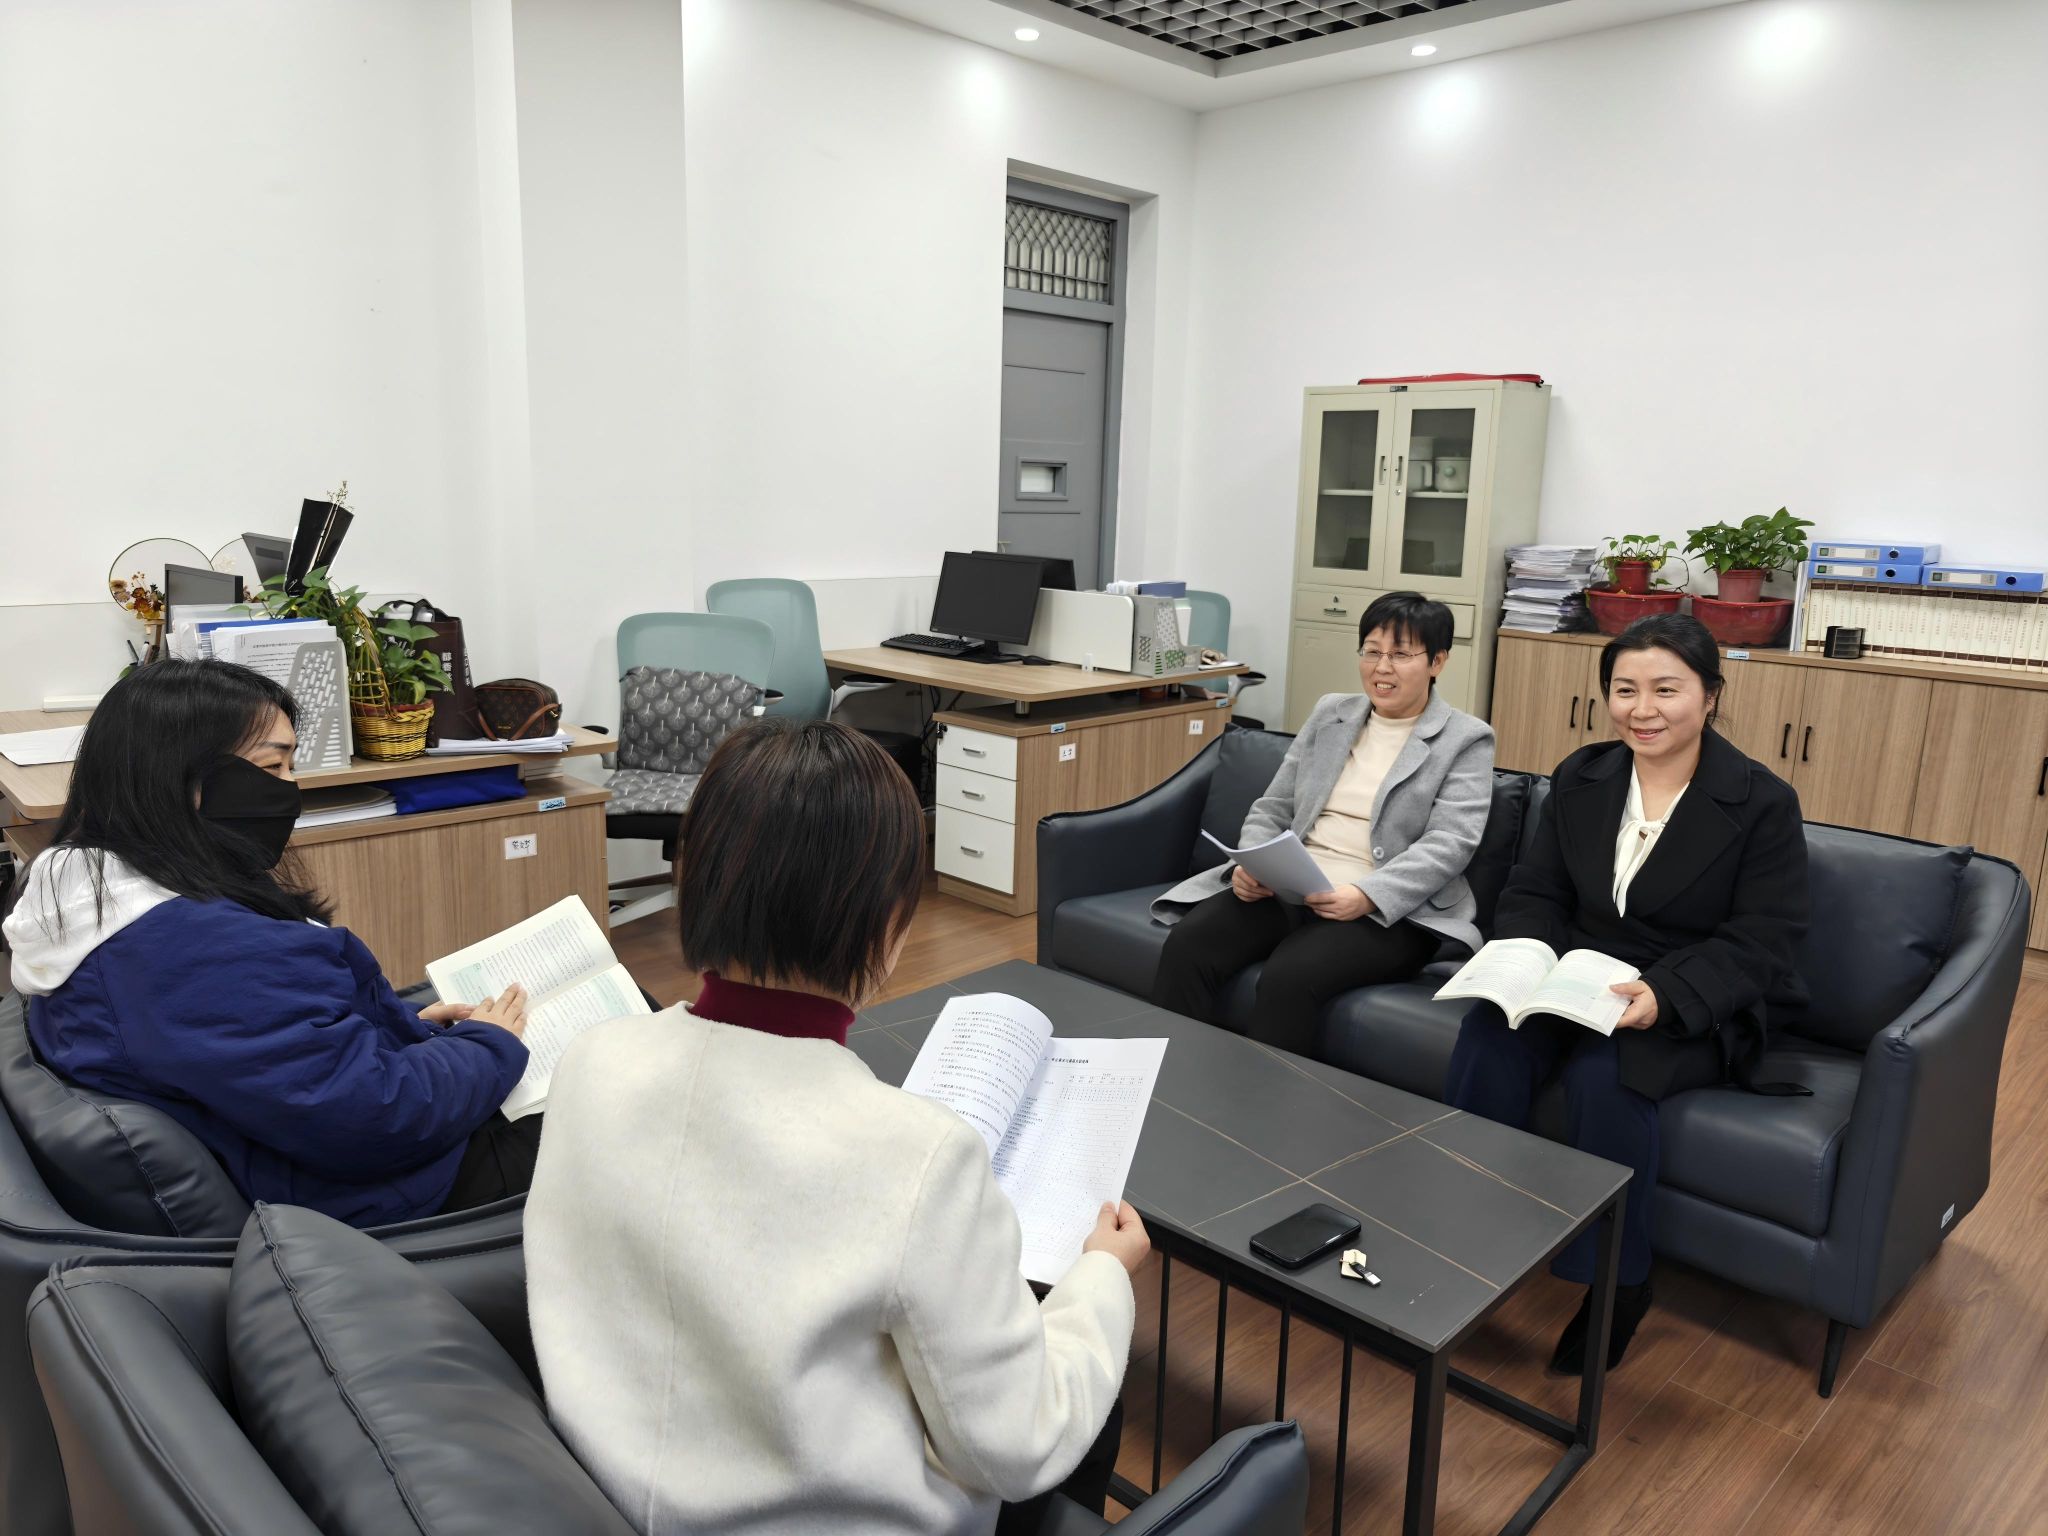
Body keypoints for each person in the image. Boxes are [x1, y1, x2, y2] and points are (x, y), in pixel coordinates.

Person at [525, 718, 1148, 1536]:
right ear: (886, 923)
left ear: (696, 878)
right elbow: (1017, 1447)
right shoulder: (919, 1157)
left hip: (600, 1484)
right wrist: (1101, 1276)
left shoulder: (590, 1061)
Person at [3, 659, 538, 1226]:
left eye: (291, 766)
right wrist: (487, 1047)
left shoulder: (90, 893)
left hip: (311, 1160)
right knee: (602, 1083)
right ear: (181, 781)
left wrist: (399, 1027)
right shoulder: (205, 954)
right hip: (387, 1194)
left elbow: (269, 1055)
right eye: (270, 766)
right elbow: (372, 1118)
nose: (289, 789)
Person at [1444, 613, 1810, 1373]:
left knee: (1606, 1077)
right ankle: (1464, 1236)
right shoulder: (1583, 776)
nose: (1643, 710)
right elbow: (1535, 889)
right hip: (1578, 976)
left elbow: (1763, 940)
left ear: (1710, 695)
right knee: (1487, 1039)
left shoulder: (1761, 802)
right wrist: (1526, 956)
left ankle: (1618, 1281)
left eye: (1666, 690)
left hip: (1686, 995)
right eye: (1625, 690)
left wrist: (1665, 994)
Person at [1149, 591, 1496, 1055]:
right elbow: (1274, 806)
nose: (1382, 668)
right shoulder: (1332, 713)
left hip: (1391, 910)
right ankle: (1171, 1076)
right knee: (1190, 945)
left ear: (1437, 661)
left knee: (1291, 977)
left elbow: (1450, 844)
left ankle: (1257, 1098)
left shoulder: (1466, 738)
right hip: (1290, 886)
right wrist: (1251, 864)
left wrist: (1367, 895)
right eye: (1371, 651)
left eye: (1400, 655)